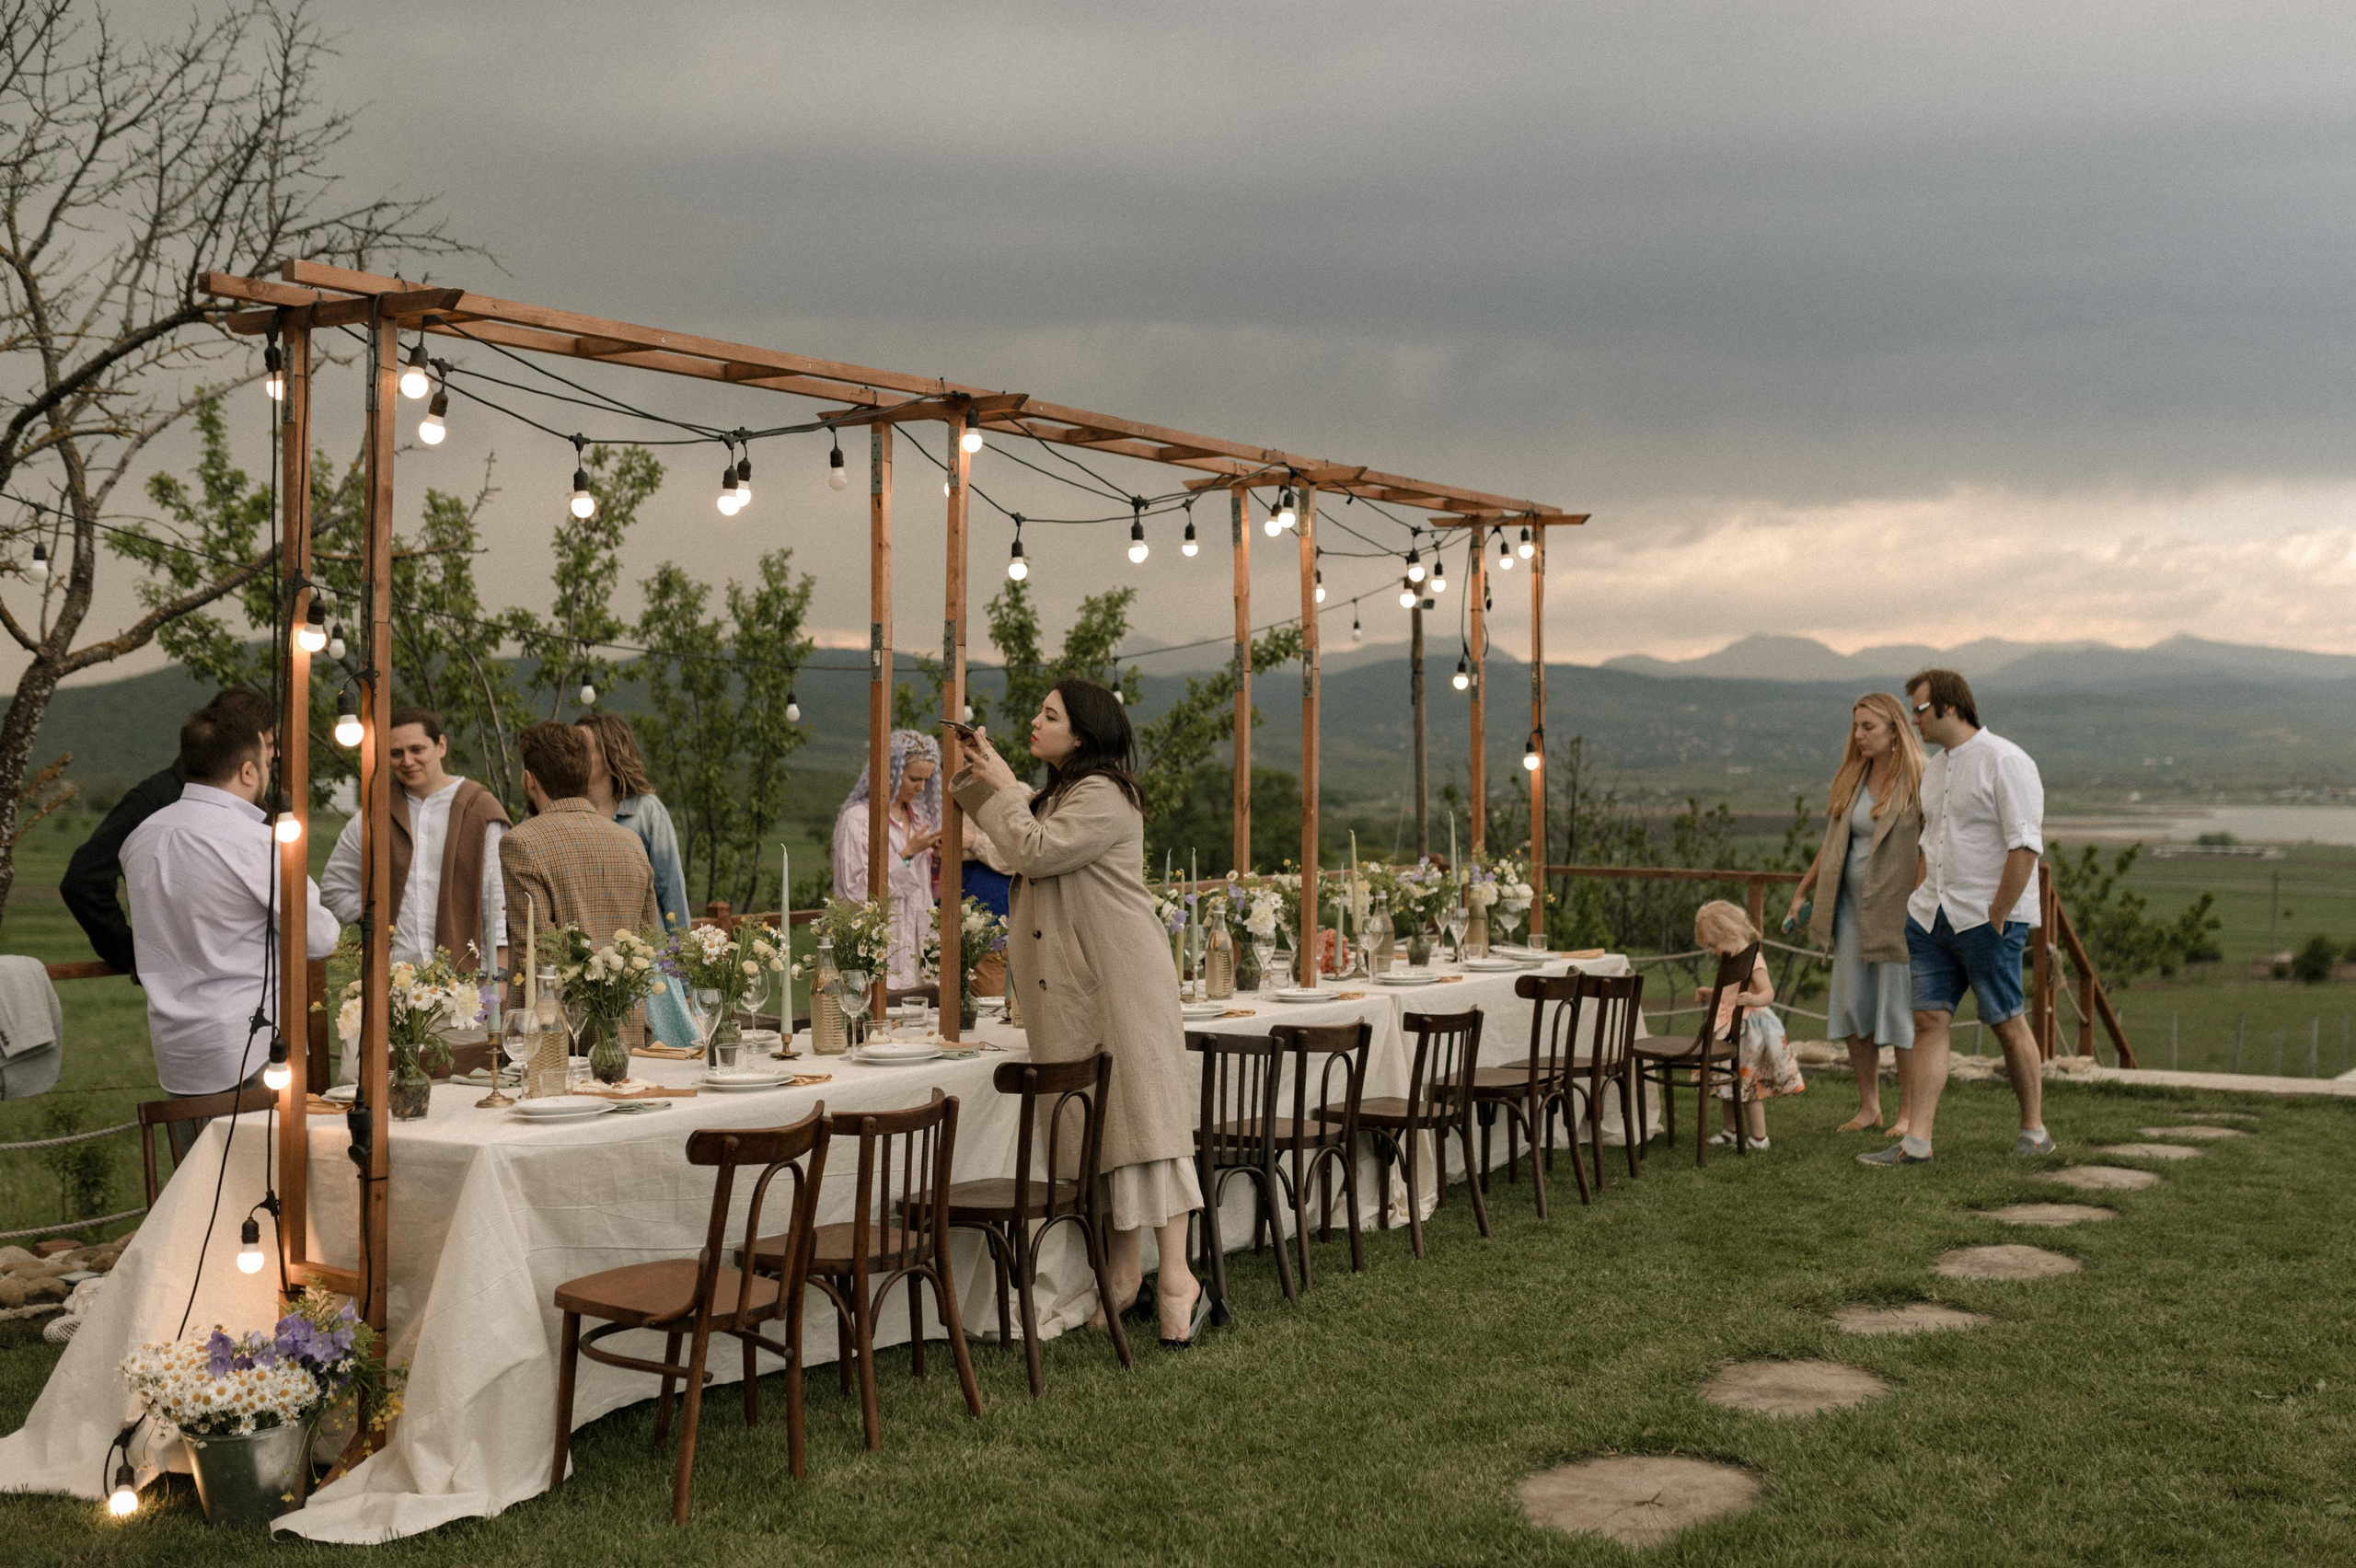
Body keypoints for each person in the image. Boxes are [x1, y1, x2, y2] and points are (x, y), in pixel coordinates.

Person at [952, 680, 1208, 1349]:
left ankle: (1178, 1281)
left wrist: (1004, 781)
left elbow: (1035, 851)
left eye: (1049, 715)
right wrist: (982, 775)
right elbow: (1011, 843)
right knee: (1102, 1136)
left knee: (1146, 1129)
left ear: (1085, 733)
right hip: (1080, 989)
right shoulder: (1062, 794)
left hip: (1121, 981)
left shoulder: (1105, 794)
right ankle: (1123, 1279)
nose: (1035, 722)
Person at [120, 698, 338, 1147]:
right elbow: (320, 937)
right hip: (252, 1051)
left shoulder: (141, 837)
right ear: (247, 771)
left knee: (201, 1197)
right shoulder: (256, 842)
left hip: (178, 1050)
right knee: (266, 1195)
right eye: (266, 762)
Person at [1861, 668, 2052, 1167]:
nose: (1913, 721)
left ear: (1949, 707)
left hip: (1988, 919)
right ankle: (1917, 1143)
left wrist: (1998, 913)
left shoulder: (2006, 760)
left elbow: (2025, 845)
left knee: (2006, 1021)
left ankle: (2034, 1130)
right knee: (1928, 1021)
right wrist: (1918, 898)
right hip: (1931, 918)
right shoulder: (1937, 769)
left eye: (1919, 710)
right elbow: (1931, 841)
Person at [62, 687, 278, 977]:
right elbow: (84, 879)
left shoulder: (264, 801)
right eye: (269, 744)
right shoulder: (154, 798)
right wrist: (133, 953)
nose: (275, 756)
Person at [1787, 692, 1923, 1135]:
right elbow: (1833, 844)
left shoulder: (1919, 777)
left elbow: (1930, 845)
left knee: (1899, 1011)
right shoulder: (1851, 777)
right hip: (1847, 910)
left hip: (1897, 913)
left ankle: (1907, 1114)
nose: (1859, 735)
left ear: (1893, 730)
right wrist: (1803, 892)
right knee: (1853, 1007)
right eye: (1856, 727)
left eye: (1869, 727)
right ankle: (1870, 1107)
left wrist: (1924, 902)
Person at [320, 707, 511, 978]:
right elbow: (334, 886)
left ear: (440, 746)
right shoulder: (375, 813)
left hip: (466, 980)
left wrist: (499, 975)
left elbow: (496, 898)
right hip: (394, 977)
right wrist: (376, 918)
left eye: (416, 749)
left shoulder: (479, 809)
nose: (407, 761)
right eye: (396, 753)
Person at [500, 722, 660, 1015]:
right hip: (626, 1022)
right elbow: (648, 940)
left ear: (529, 780)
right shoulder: (631, 842)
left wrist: (524, 1028)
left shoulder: (521, 842)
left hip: (556, 1031)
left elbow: (534, 953)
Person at [574, 713, 697, 1047]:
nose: (575, 755)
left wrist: (684, 983)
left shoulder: (646, 811)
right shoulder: (569, 813)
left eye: (584, 747)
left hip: (648, 968)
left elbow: (672, 897)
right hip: (591, 969)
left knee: (660, 1058)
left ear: (611, 752)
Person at [831, 729, 940, 991]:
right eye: (914, 778)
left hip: (918, 947)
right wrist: (905, 855)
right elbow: (853, 890)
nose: (921, 787)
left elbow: (928, 890)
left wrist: (937, 860)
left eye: (927, 780)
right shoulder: (858, 820)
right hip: (879, 947)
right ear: (891, 772)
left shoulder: (919, 818)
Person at [1695, 901, 1802, 1148]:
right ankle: (1731, 1130)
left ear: (1729, 933)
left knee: (1750, 1085)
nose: (1712, 951)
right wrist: (1712, 993)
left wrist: (1754, 999)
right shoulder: (1734, 959)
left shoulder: (1753, 960)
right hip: (1733, 1026)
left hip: (1751, 1030)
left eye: (1713, 944)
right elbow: (1732, 992)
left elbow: (1768, 992)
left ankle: (1759, 1137)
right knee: (1727, 1082)